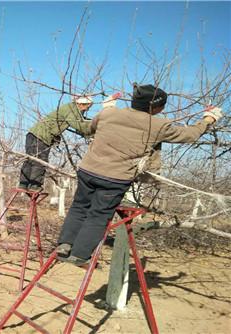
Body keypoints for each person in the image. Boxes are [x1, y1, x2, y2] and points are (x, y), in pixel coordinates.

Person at [56, 84, 222, 266]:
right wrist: (208, 119)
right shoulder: (159, 125)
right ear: (156, 107)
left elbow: (89, 128)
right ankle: (80, 255)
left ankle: (65, 245)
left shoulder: (109, 113)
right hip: (115, 178)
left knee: (79, 206)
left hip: (88, 170)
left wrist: (109, 108)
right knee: (99, 214)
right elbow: (189, 135)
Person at [19, 96, 95, 191]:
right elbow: (80, 125)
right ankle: (35, 185)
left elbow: (80, 122)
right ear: (81, 104)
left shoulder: (70, 109)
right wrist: (94, 130)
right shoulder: (71, 110)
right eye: (87, 107)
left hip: (33, 135)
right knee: (40, 161)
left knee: (30, 159)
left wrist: (90, 129)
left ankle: (23, 184)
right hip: (41, 136)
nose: (87, 109)